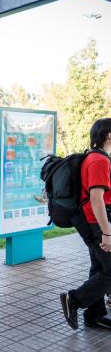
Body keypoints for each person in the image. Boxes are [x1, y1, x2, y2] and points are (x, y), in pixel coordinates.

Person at [60, 118, 111, 330]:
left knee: (100, 266)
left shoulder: (95, 157)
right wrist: (107, 233)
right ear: (109, 135)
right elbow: (96, 198)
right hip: (96, 222)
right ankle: (74, 300)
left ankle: (95, 315)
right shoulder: (99, 160)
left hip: (93, 221)